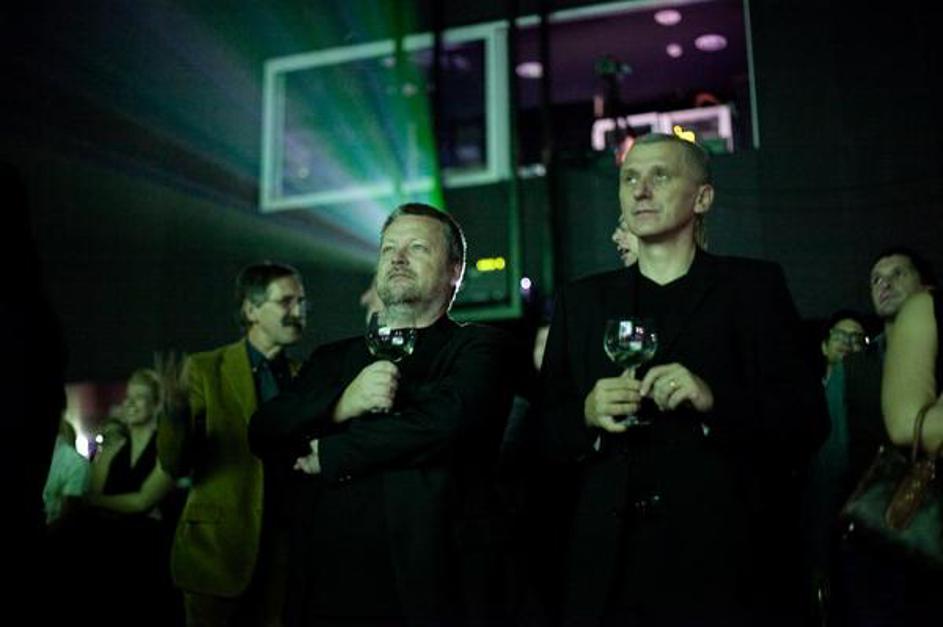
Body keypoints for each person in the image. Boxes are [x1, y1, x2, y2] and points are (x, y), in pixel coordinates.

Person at [539, 133, 827, 626]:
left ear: (703, 198)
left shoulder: (752, 288)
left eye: (660, 176)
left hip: (728, 563)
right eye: (629, 178)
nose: (640, 190)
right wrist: (586, 413)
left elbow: (808, 421)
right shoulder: (581, 303)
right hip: (612, 570)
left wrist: (715, 401)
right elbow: (542, 434)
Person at [249, 204, 516, 626]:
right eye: (389, 248)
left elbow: (445, 426)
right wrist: (344, 403)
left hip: (432, 587)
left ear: (455, 271)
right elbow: (264, 430)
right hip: (328, 587)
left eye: (417, 248)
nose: (397, 258)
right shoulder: (332, 358)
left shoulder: (479, 348)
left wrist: (330, 452)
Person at [158, 262, 306, 626]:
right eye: (286, 301)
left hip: (286, 559)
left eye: (302, 301)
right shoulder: (204, 368)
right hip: (216, 555)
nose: (299, 311)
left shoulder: (305, 375)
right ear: (251, 310)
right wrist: (175, 415)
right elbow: (175, 464)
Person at [84, 368, 178, 627]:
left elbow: (143, 501)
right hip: (112, 554)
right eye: (128, 397)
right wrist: (112, 503)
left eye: (140, 397)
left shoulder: (167, 449)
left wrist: (103, 503)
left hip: (151, 557)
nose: (130, 403)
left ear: (156, 405)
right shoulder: (112, 450)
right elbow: (93, 495)